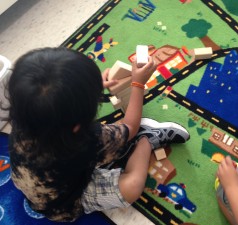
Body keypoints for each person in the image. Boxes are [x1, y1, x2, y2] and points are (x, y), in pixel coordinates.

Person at [7, 47, 190, 222]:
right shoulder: (88, 140)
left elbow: (54, 105)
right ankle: (147, 140)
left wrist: (85, 91)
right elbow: (130, 127)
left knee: (108, 142)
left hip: (39, 187)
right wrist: (137, 84)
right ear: (76, 126)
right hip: (65, 205)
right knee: (133, 185)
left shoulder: (25, 116)